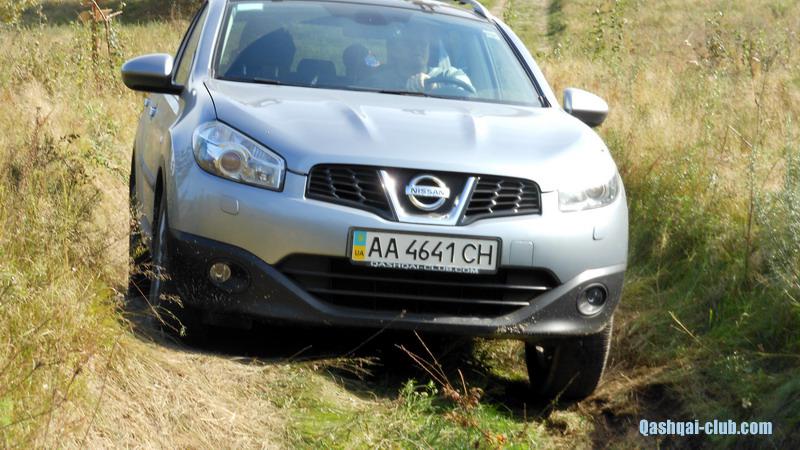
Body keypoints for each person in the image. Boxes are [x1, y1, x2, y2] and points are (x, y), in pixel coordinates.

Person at [364, 27, 475, 94]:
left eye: (423, 44)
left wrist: (435, 87)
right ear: (395, 51)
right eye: (410, 44)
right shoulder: (379, 81)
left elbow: (469, 96)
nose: (418, 49)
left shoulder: (449, 75)